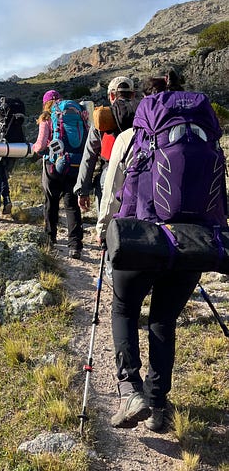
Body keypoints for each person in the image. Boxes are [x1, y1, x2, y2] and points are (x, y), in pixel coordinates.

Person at [99, 69, 202, 432]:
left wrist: (103, 231)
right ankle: (159, 405)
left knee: (125, 308)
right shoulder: (202, 136)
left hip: (141, 240)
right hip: (190, 243)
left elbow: (112, 190)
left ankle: (130, 390)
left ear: (147, 101)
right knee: (163, 319)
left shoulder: (132, 136)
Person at [32, 90, 84, 258]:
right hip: (75, 164)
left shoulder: (47, 117)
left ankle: (50, 237)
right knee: (72, 205)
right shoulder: (76, 112)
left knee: (51, 202)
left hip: (53, 166)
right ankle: (75, 245)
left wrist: (33, 149)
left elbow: (40, 145)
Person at [74, 76, 137, 213]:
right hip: (139, 174)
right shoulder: (145, 114)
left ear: (112, 95)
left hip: (109, 175)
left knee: (107, 226)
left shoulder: (102, 118)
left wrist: (83, 190)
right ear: (133, 94)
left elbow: (89, 155)